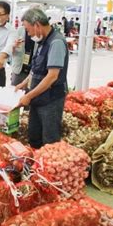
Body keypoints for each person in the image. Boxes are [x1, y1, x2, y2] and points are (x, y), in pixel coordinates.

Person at [16, 8, 69, 149]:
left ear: (37, 25)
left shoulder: (56, 42)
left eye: (28, 30)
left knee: (49, 140)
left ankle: (48, 169)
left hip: (50, 100)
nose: (28, 34)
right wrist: (24, 82)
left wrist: (29, 96)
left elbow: (52, 76)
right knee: (34, 137)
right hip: (39, 98)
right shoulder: (42, 41)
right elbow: (36, 68)